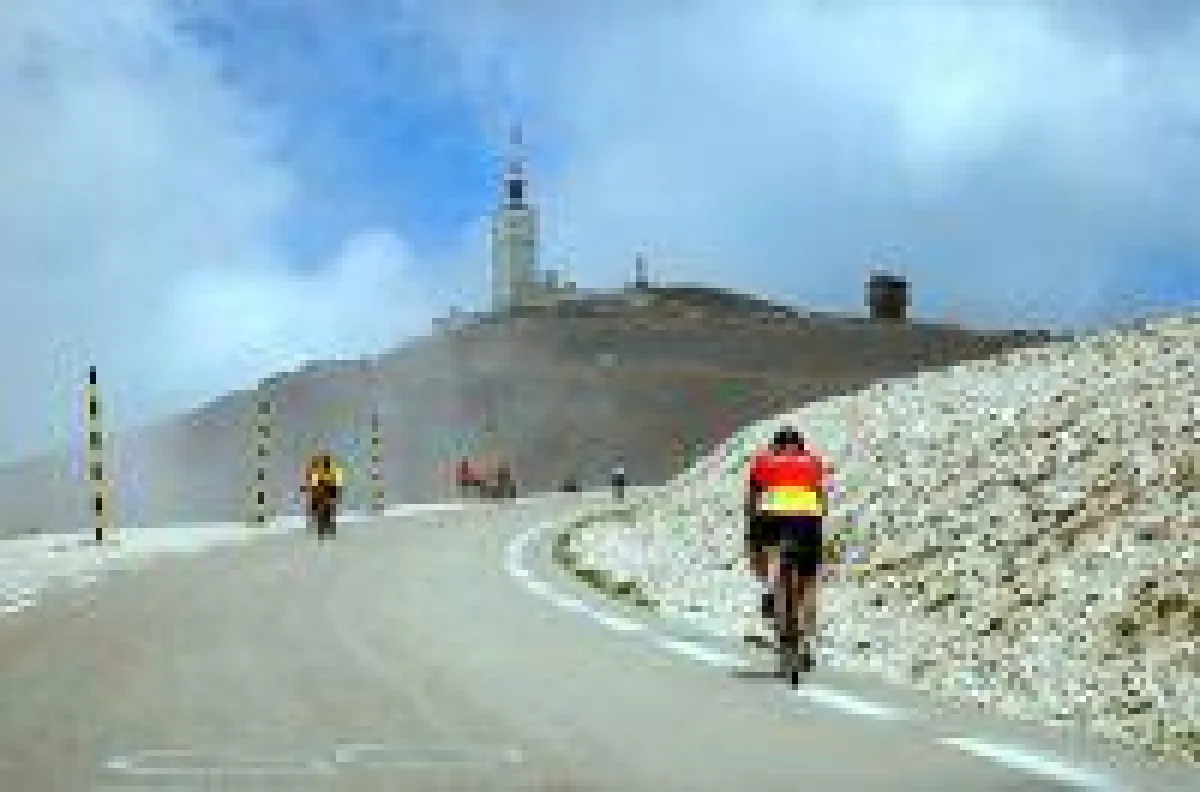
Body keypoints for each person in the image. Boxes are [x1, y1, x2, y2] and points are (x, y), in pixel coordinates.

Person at [743, 426, 834, 669]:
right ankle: (805, 645)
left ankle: (771, 590)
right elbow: (821, 501)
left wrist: (752, 539)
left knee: (765, 551)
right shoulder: (813, 462)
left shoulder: (763, 461)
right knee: (809, 581)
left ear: (775, 446)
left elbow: (751, 501)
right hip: (807, 517)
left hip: (771, 515)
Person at [304, 451, 344, 539]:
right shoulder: (321, 470)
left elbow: (336, 482)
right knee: (324, 510)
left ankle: (325, 527)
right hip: (323, 492)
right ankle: (323, 527)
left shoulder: (326, 470)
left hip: (325, 491)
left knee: (325, 510)